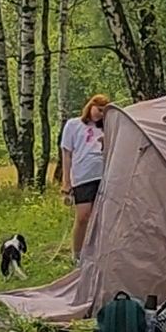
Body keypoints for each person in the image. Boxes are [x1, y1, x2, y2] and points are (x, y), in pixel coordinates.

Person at [59, 93, 110, 260]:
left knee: (101, 217)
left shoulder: (106, 128)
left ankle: (97, 252)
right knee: (83, 216)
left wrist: (105, 143)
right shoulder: (73, 125)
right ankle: (77, 254)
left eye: (104, 112)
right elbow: (67, 153)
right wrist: (66, 182)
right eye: (98, 109)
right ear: (90, 106)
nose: (99, 114)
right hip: (82, 176)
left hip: (103, 175)